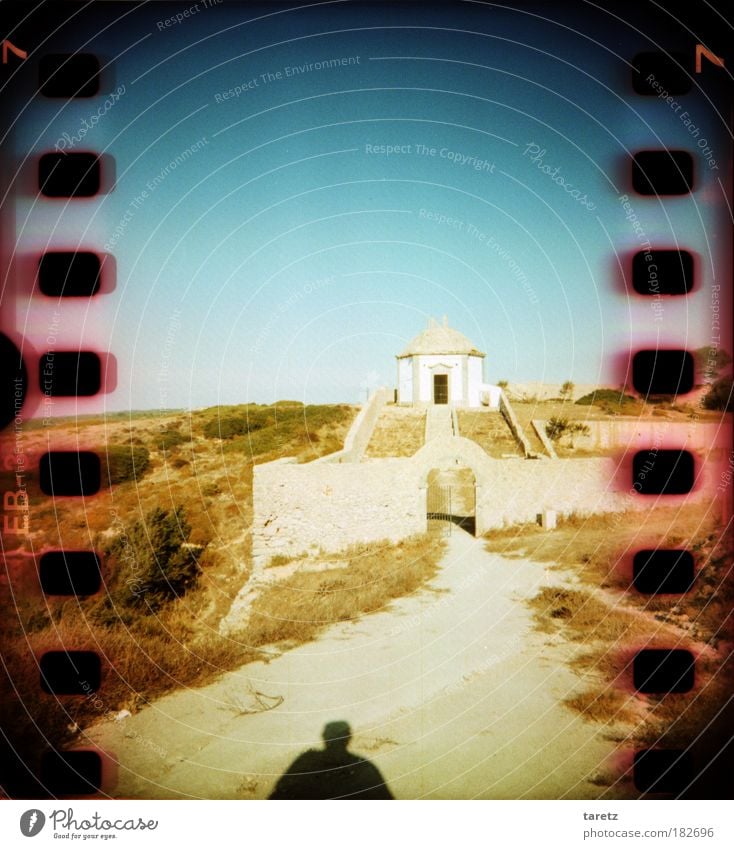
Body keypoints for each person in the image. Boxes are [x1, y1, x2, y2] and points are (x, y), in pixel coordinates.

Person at [269, 721, 393, 799]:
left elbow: (279, 793)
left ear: (324, 737)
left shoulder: (307, 761)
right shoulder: (363, 767)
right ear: (348, 738)